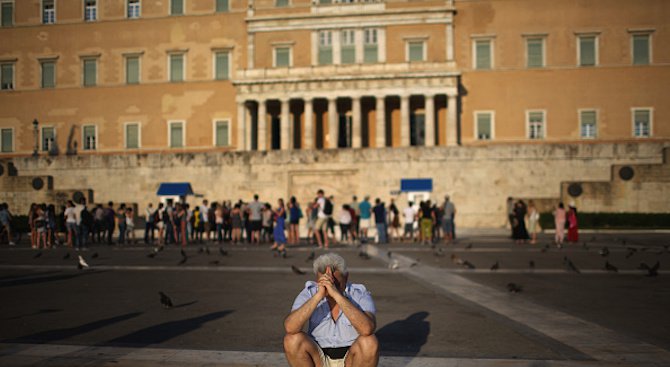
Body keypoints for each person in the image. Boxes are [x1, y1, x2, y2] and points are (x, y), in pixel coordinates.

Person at [284, 253, 379, 367]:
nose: (330, 285)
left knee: (370, 342)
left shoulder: (360, 294)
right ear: (317, 279)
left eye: (336, 283)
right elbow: (290, 327)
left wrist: (337, 295)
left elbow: (367, 329)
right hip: (318, 358)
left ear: (346, 277)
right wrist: (318, 296)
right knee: (292, 340)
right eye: (326, 281)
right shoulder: (310, 292)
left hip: (351, 359)